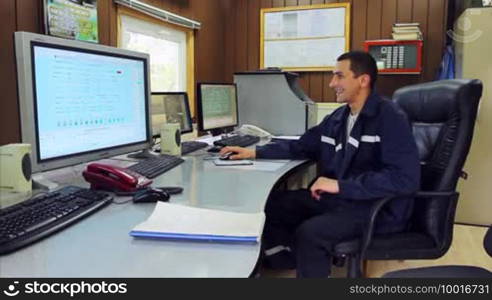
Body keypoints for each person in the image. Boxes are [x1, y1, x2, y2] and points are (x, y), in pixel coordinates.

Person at [220, 51, 420, 278]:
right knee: (273, 205)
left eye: (339, 76)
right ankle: (285, 262)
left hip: (376, 208)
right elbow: (301, 147)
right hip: (343, 201)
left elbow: (405, 179)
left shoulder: (390, 117)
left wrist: (340, 186)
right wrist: (254, 151)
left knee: (311, 233)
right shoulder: (338, 118)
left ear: (363, 80)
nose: (332, 83)